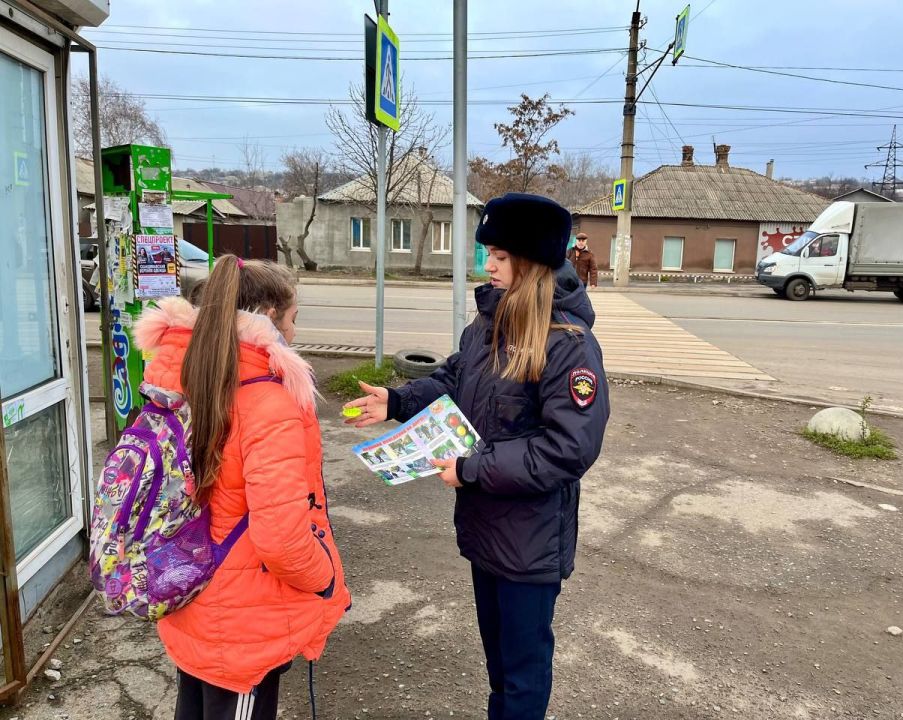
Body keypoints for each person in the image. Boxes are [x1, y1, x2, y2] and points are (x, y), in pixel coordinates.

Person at [345, 193, 609, 720]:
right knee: (499, 667)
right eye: (487, 252)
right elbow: (452, 380)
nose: (487, 265)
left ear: (532, 264)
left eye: (501, 256)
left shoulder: (568, 345)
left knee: (522, 677)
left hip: (529, 545)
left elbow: (568, 448)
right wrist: (398, 401)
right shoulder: (486, 326)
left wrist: (471, 469)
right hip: (486, 529)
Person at [132, 255, 350, 720]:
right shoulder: (269, 402)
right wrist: (324, 577)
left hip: (188, 587)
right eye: (293, 319)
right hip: (244, 615)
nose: (294, 332)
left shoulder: (179, 379)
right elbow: (282, 538)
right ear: (269, 318)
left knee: (194, 700)